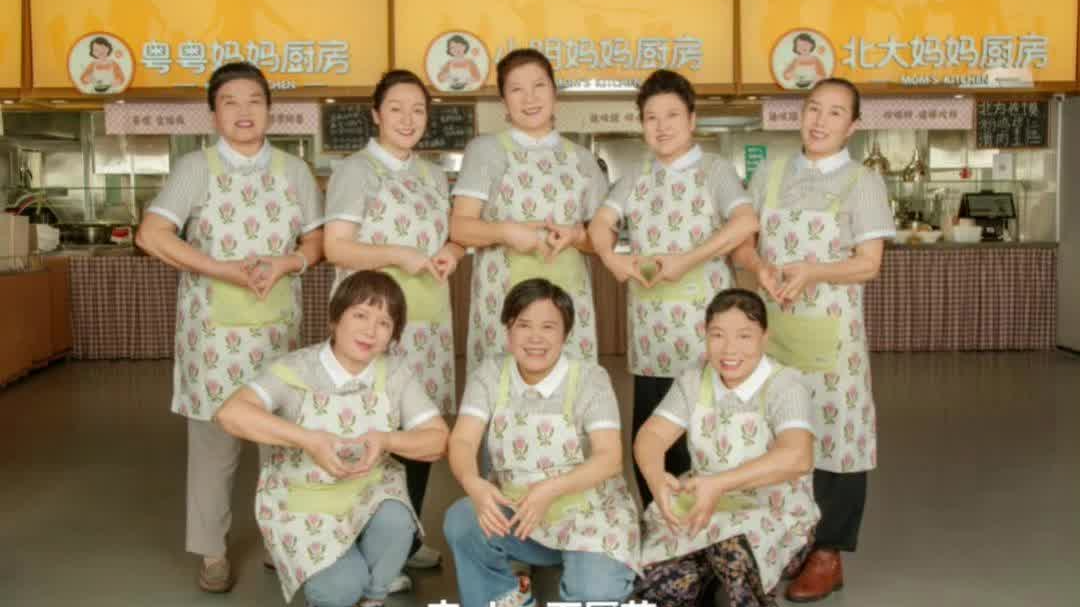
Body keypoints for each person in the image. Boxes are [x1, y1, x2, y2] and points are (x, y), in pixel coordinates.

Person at [136, 62, 324, 593]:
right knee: (214, 450)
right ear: (213, 113)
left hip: (279, 335)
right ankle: (213, 553)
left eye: (254, 101)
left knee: (282, 446)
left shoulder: (294, 171)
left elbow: (315, 242)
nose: (244, 112)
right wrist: (220, 268)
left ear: (270, 110)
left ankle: (280, 541)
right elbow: (152, 234)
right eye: (230, 102)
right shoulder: (195, 168)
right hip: (213, 339)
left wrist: (287, 263)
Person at [731, 77, 895, 602]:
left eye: (835, 113)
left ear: (853, 125)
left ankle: (828, 553)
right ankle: (790, 541)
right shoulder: (771, 173)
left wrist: (813, 271)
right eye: (814, 109)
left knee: (838, 440)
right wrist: (759, 266)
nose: (820, 121)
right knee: (778, 433)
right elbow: (742, 245)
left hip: (832, 338)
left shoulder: (863, 182)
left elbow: (868, 264)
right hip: (774, 333)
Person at [214, 271, 450, 607]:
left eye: (384, 323)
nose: (370, 330)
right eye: (360, 315)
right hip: (305, 504)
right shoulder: (297, 369)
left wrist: (385, 440)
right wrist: (309, 440)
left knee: (397, 522)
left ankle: (373, 599)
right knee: (342, 587)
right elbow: (230, 414)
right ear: (335, 319)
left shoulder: (396, 374)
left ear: (393, 335)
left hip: (369, 495)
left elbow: (437, 440)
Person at [589, 69, 759, 507]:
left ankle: (709, 526)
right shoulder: (635, 175)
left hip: (708, 337)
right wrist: (611, 256)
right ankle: (659, 524)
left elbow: (745, 221)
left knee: (707, 436)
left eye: (672, 115)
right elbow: (601, 224)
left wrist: (689, 258)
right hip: (651, 337)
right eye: (651, 117)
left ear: (692, 119)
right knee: (651, 438)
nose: (661, 126)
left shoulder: (715, 170)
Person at [323, 69, 462, 590]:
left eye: (418, 110)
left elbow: (449, 238)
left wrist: (450, 252)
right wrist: (398, 255)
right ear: (376, 114)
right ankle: (362, 547)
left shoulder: (432, 175)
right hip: (373, 326)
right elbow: (337, 246)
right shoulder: (356, 170)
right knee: (371, 429)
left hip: (427, 324)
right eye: (397, 109)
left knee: (418, 432)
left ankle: (404, 539)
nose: (408, 119)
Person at [443, 279, 639, 607]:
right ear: (508, 330)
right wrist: (472, 482)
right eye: (524, 325)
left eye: (548, 327)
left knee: (594, 595)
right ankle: (507, 596)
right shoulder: (489, 374)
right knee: (463, 520)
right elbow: (462, 439)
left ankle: (593, 569)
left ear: (565, 334)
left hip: (590, 517)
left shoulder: (590, 378)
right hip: (520, 515)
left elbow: (609, 458)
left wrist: (550, 489)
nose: (535, 337)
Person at [634, 289, 818, 607]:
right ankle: (706, 579)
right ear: (705, 335)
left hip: (774, 513)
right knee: (657, 588)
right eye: (718, 335)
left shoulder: (785, 384)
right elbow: (651, 436)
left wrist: (718, 484)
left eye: (744, 336)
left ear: (764, 338)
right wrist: (655, 478)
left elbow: (798, 457)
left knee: (731, 552)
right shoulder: (695, 379)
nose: (730, 349)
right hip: (705, 510)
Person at [451, 48, 609, 372]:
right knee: (501, 388)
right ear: (504, 102)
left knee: (568, 389)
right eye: (516, 89)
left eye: (539, 86)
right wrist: (506, 232)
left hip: (568, 303)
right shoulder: (485, 151)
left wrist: (576, 236)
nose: (530, 98)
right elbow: (459, 228)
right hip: (503, 304)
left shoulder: (582, 159)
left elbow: (603, 239)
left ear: (554, 93)